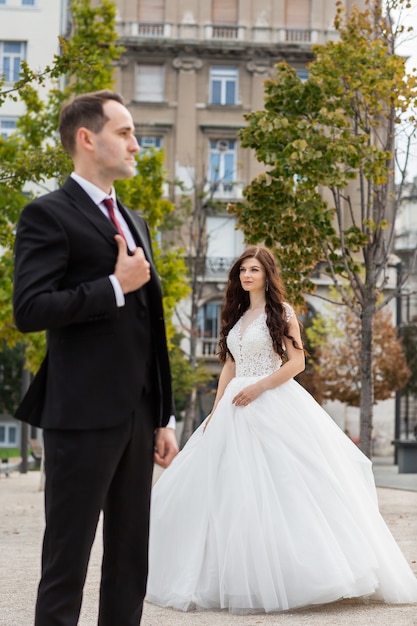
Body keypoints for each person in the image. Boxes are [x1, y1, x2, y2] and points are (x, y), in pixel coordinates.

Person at [146, 245, 417, 614]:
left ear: (266, 274)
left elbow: (297, 364)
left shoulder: (282, 313)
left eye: (254, 270)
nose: (247, 275)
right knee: (230, 490)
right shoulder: (237, 315)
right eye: (243, 269)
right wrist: (216, 408)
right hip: (234, 409)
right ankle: (233, 574)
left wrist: (259, 387)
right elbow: (229, 365)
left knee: (285, 484)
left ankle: (306, 573)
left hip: (272, 401)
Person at [13, 90, 178, 626]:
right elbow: (30, 308)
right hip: (80, 415)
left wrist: (163, 414)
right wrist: (113, 285)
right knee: (67, 562)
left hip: (138, 416)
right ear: (87, 139)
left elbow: (149, 325)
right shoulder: (46, 214)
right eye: (125, 132)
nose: (136, 144)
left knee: (131, 561)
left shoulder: (135, 219)